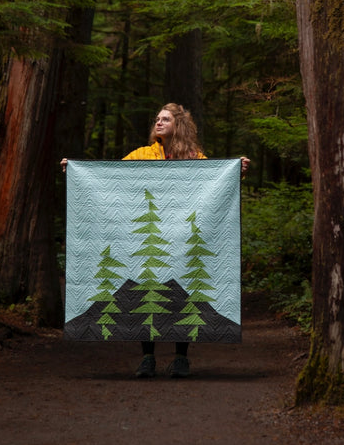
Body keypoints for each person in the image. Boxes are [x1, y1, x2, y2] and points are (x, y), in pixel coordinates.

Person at [61, 102, 250, 379]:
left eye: (166, 119)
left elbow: (214, 182)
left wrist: (237, 170)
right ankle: (147, 357)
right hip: (150, 238)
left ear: (179, 125)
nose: (158, 123)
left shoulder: (195, 158)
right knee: (145, 292)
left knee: (183, 291)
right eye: (157, 119)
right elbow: (112, 178)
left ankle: (181, 358)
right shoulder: (142, 155)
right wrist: (77, 171)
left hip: (182, 238)